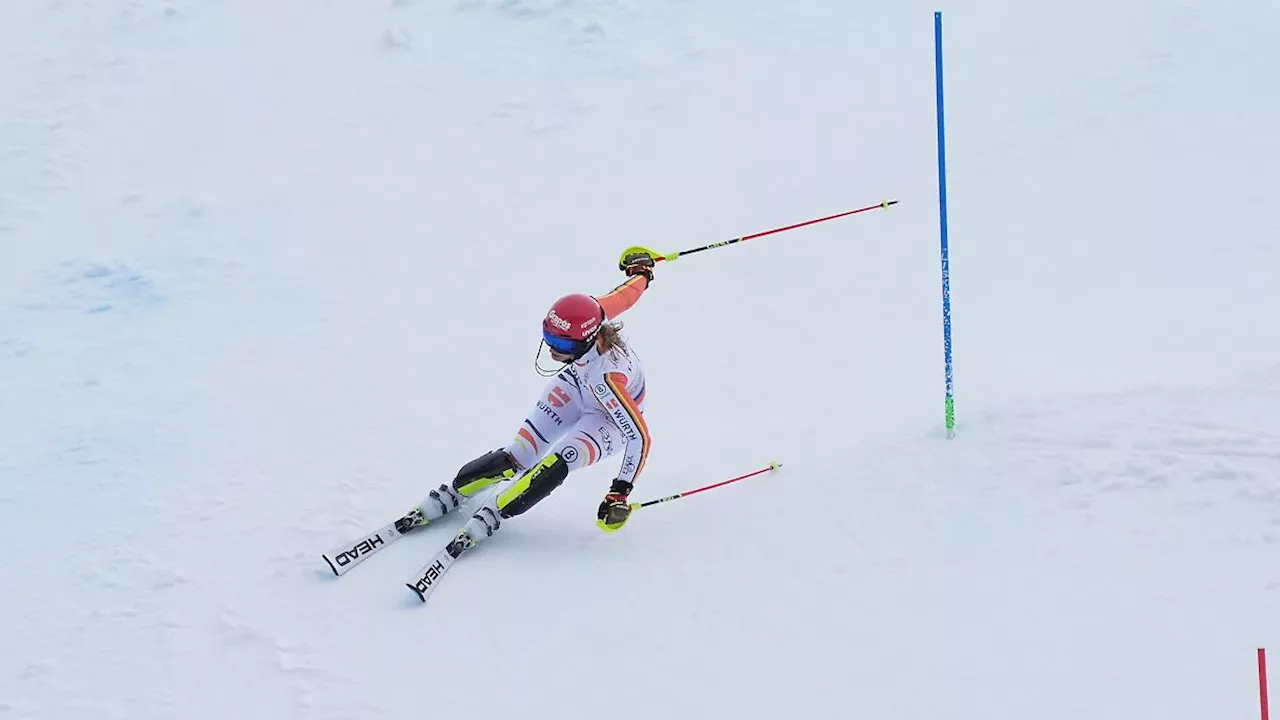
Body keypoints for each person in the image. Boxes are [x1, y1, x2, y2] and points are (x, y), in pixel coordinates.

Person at [394, 248, 658, 556]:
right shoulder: (595, 312)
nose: (551, 350)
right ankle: (454, 491)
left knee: (560, 460)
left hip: (608, 418)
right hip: (576, 386)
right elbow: (626, 295)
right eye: (548, 337)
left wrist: (619, 492)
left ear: (586, 339)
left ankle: (495, 514)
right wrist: (643, 272)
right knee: (517, 455)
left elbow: (639, 437)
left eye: (560, 344)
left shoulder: (609, 381)